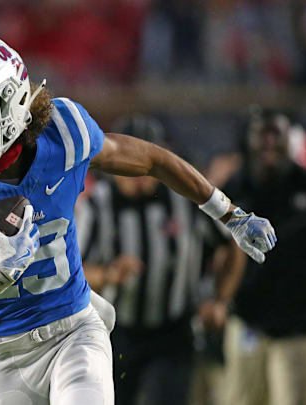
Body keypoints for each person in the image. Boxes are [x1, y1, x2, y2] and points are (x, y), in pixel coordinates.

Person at [0, 34, 277, 405]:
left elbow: (153, 159)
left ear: (12, 100)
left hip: (74, 331)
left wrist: (228, 212)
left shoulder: (63, 136)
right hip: (2, 354)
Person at [76, 115, 247, 405]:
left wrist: (220, 300)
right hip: (117, 332)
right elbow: (73, 272)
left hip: (175, 331)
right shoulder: (96, 205)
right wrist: (108, 274)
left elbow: (234, 244)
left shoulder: (183, 200)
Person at [221, 109, 306, 405]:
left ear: (291, 139)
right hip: (246, 320)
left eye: (277, 134)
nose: (270, 142)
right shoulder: (232, 189)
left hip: (296, 326)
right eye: (263, 134)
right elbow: (213, 251)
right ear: (249, 140)